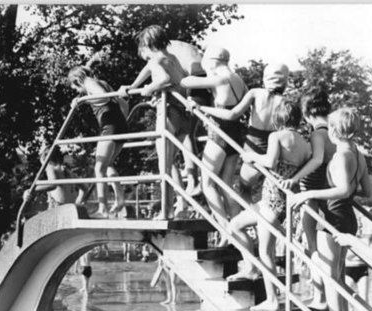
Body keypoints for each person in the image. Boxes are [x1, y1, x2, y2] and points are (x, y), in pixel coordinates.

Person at [289, 108, 372, 311]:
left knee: (329, 274)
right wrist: (345, 191)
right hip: (347, 218)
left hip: (333, 217)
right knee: (336, 274)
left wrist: (308, 194)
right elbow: (366, 190)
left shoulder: (340, 156)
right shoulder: (358, 154)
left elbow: (344, 189)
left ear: (334, 131)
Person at [227, 99, 311, 311]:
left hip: (272, 199)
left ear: (278, 118)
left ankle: (272, 299)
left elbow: (271, 162)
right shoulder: (304, 142)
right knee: (235, 225)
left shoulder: (276, 136)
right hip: (280, 199)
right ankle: (251, 268)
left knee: (266, 251)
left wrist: (251, 156)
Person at [121, 25, 191, 215]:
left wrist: (149, 89)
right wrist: (134, 85)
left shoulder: (155, 60)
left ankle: (166, 211)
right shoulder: (173, 58)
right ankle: (182, 203)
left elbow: (163, 78)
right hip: (183, 114)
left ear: (146, 45)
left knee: (163, 167)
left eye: (142, 53)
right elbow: (174, 80)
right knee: (170, 162)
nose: (144, 58)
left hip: (169, 113)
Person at [198, 63, 289, 205]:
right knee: (271, 192)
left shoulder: (256, 93)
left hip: (254, 144)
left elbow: (231, 114)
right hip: (275, 147)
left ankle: (253, 223)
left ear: (265, 78)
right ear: (285, 81)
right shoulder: (286, 102)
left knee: (244, 190)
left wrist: (202, 108)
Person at [181, 46, 248, 229]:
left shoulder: (218, 79)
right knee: (226, 185)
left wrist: (199, 106)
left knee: (208, 184)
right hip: (236, 132)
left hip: (219, 131)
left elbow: (186, 82)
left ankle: (225, 227)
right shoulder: (238, 80)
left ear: (212, 63)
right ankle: (238, 227)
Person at [281, 87, 336, 309]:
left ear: (307, 114)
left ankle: (320, 298)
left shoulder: (317, 134)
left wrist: (294, 179)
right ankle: (326, 299)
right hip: (327, 195)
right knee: (324, 252)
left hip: (313, 195)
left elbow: (317, 159)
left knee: (313, 248)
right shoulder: (335, 132)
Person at [67, 65, 128, 217]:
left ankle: (103, 209)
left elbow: (103, 96)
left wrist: (83, 100)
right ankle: (119, 198)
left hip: (109, 126)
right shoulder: (103, 82)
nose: (75, 91)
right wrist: (122, 120)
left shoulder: (89, 83)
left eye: (74, 87)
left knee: (99, 168)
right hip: (120, 125)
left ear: (77, 81)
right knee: (107, 166)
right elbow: (123, 104)